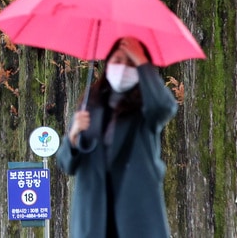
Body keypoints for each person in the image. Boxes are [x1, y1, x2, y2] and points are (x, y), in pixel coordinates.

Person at [58, 36, 178, 238]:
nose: (123, 69)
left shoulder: (144, 110)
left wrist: (141, 60)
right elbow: (66, 164)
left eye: (130, 63)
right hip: (94, 217)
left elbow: (164, 107)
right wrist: (73, 136)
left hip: (135, 215)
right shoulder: (90, 106)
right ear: (107, 65)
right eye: (117, 61)